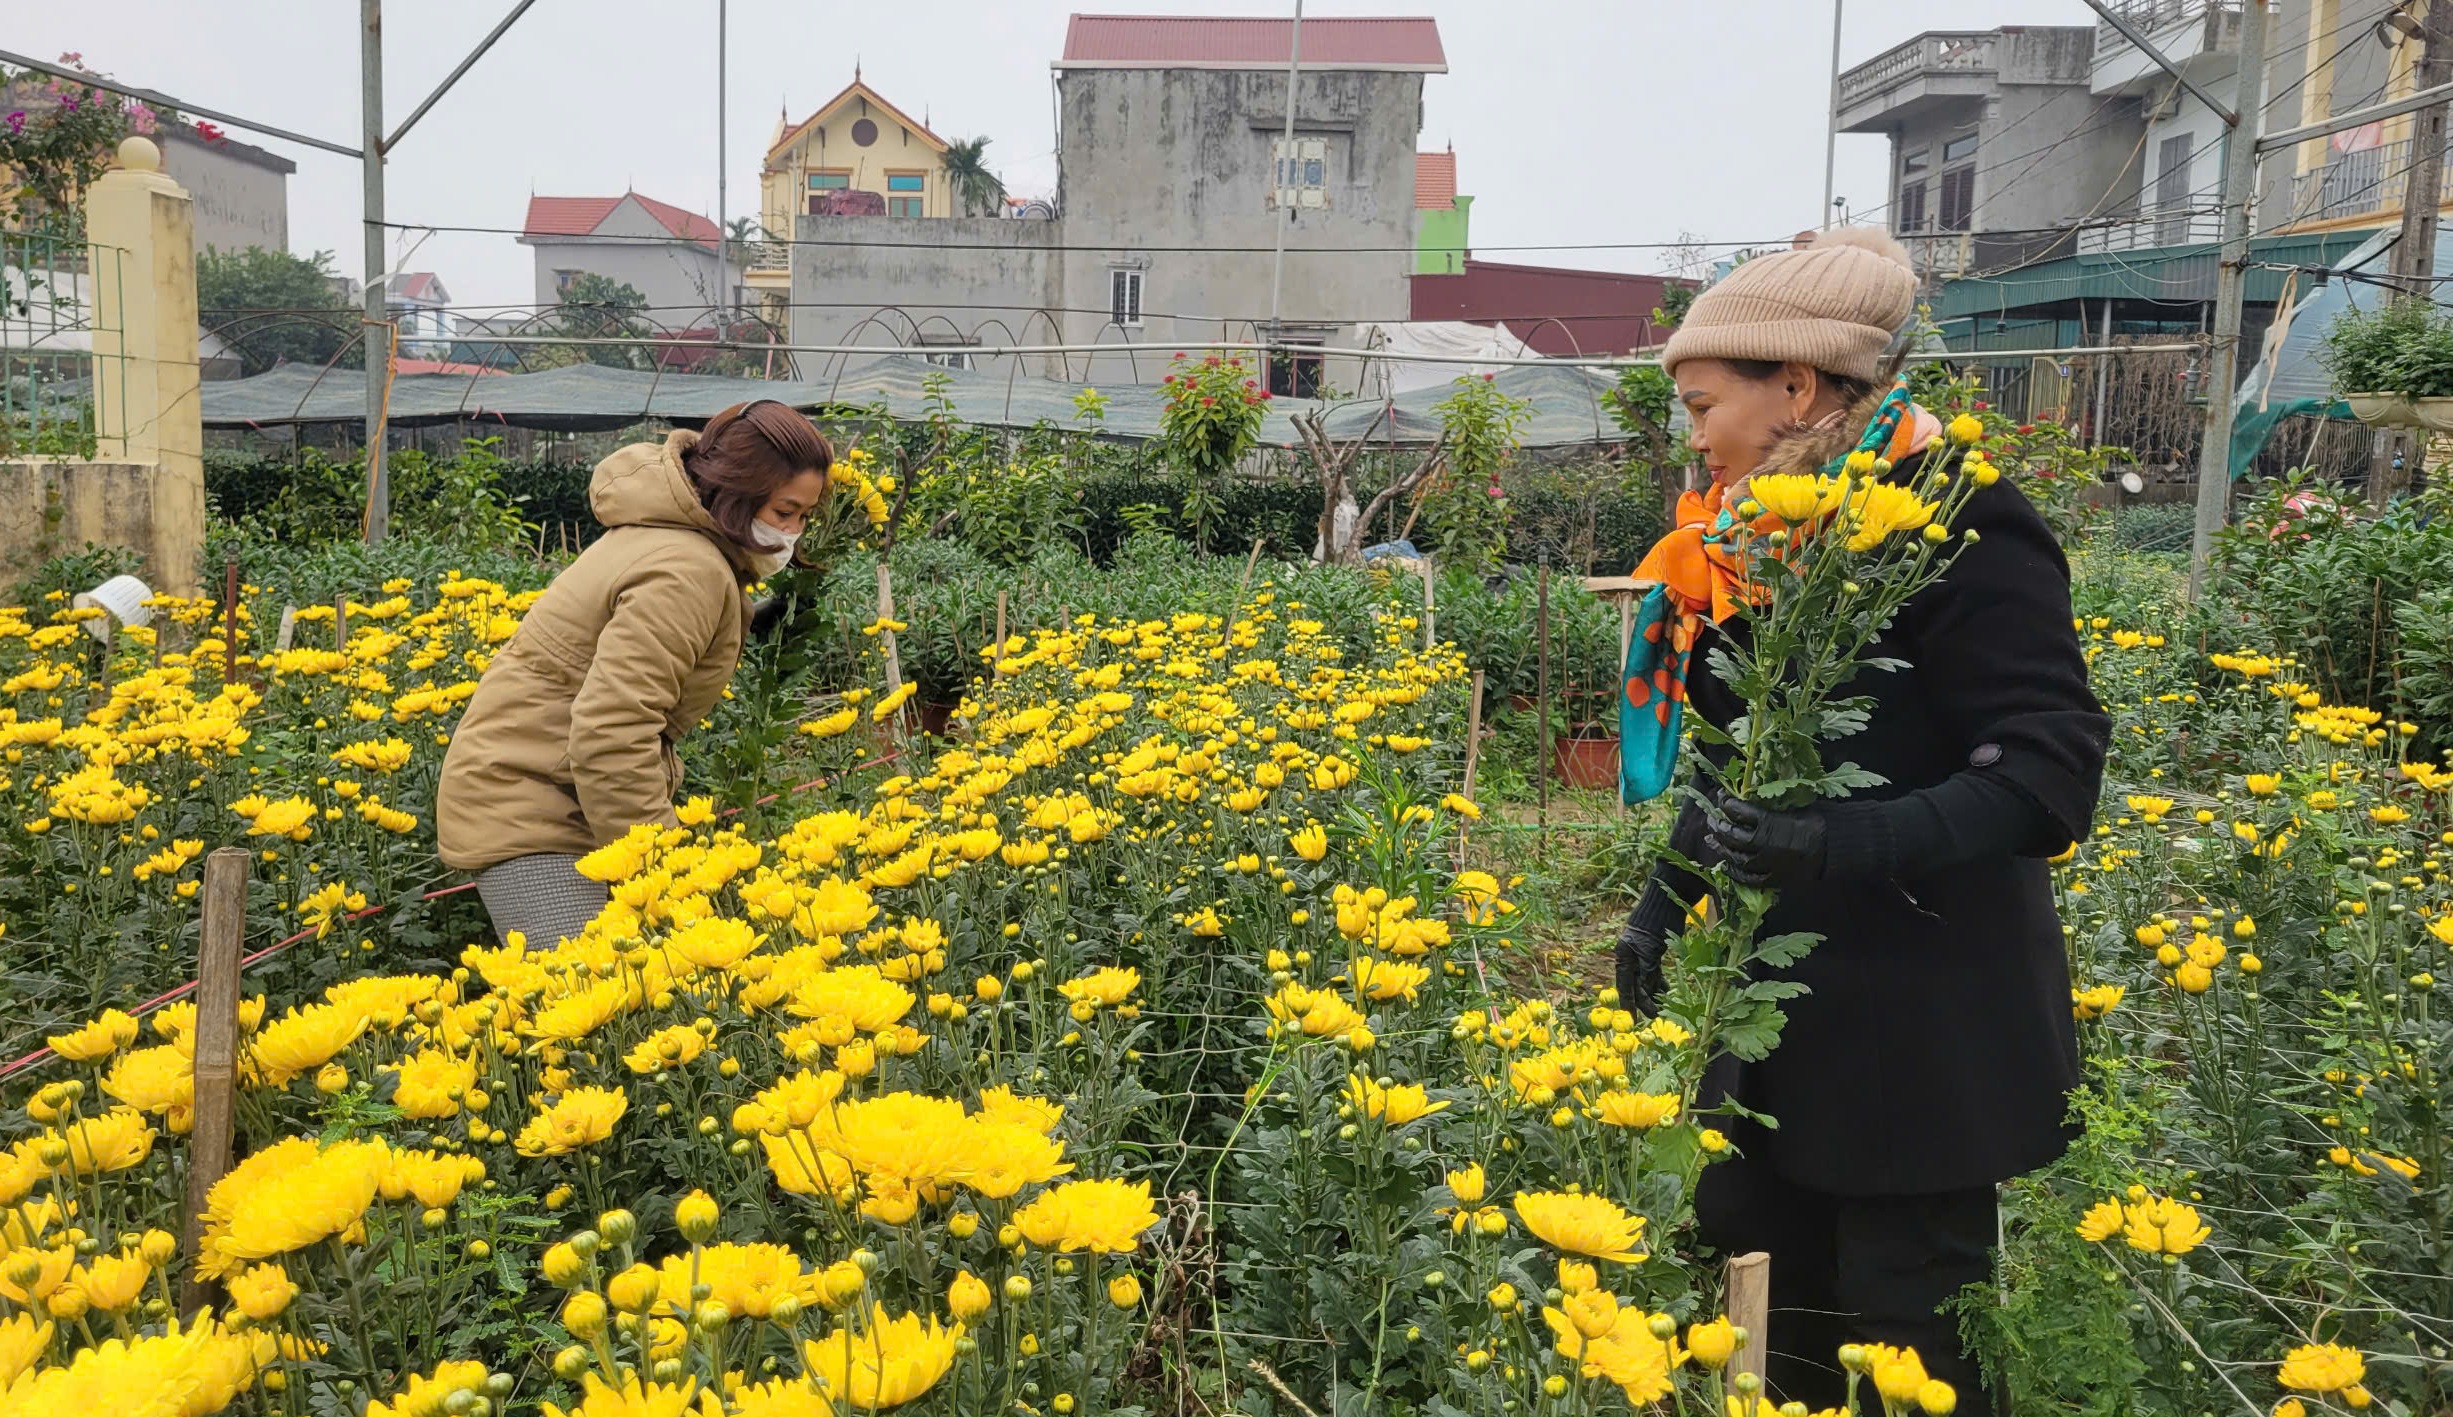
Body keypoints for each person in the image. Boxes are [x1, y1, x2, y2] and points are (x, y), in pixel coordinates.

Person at [1615, 228, 2110, 1408]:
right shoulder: (1763, 542)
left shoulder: (1960, 519)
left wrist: (1844, 842)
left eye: (1699, 402)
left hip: (1917, 1044)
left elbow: (2046, 775)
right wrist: (1662, 901)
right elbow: (1739, 760)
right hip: (1778, 1029)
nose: (1688, 433)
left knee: (1904, 1357)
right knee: (1766, 1337)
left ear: (1796, 387)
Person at [437, 400, 833, 948]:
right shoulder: (685, 569)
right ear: (737, 491)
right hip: (529, 807)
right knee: (587, 1004)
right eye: (784, 512)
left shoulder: (675, 543)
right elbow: (612, 728)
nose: (793, 532)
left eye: (805, 517)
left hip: (567, 795)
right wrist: (661, 871)